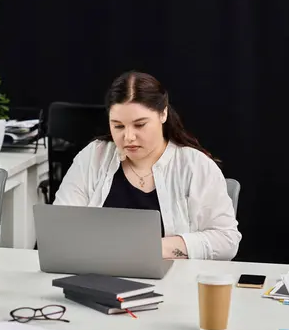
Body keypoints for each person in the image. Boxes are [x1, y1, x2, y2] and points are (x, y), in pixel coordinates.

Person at [53, 71, 241, 260]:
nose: (128, 137)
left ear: (163, 114)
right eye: (118, 126)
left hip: (174, 283)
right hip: (97, 277)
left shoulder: (195, 166)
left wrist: (152, 248)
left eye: (140, 125)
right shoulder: (94, 156)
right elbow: (60, 227)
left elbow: (226, 240)